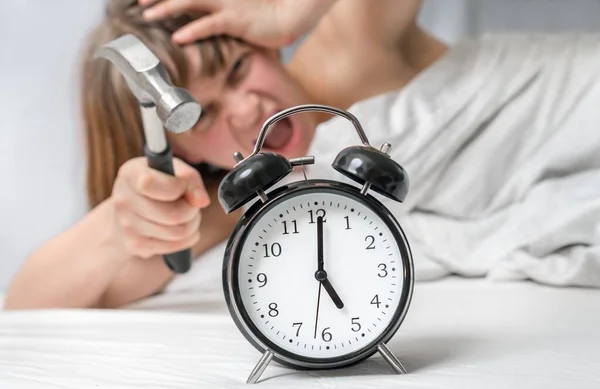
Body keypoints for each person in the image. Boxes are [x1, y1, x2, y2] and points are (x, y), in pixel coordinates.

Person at [4, 0, 447, 309]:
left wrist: (289, 11)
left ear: (264, 42)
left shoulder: (357, 45)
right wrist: (121, 224)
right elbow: (25, 305)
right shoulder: (224, 208)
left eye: (238, 68)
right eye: (199, 116)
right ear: (181, 150)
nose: (246, 108)